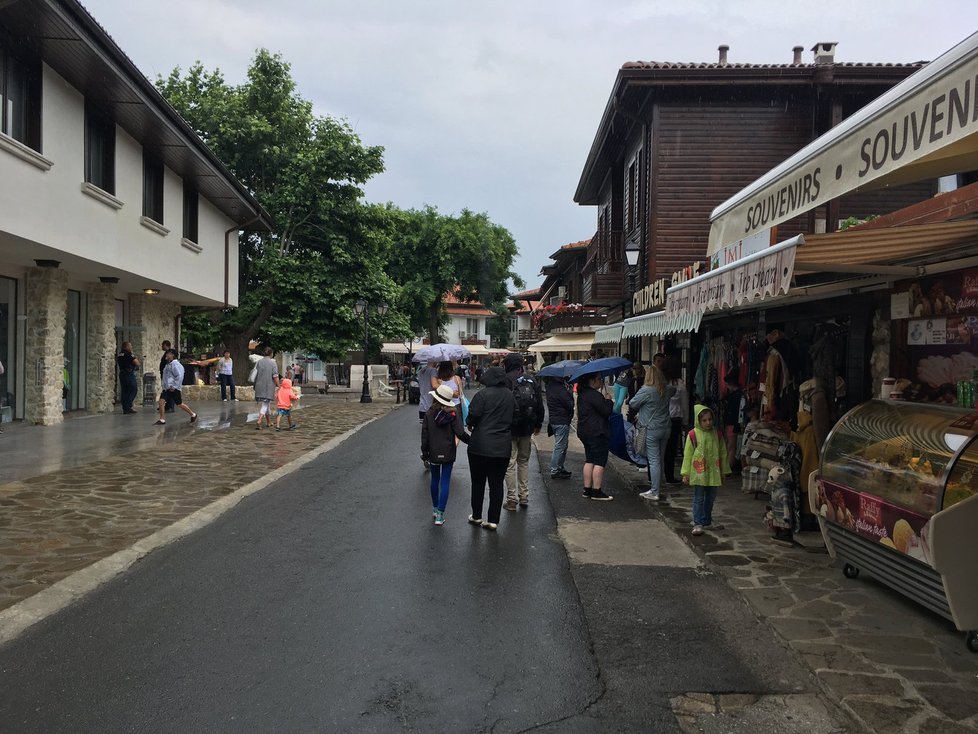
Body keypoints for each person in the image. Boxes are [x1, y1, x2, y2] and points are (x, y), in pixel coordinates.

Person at [467, 364, 514, 530]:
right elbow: (515, 418)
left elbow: (472, 415)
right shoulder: (510, 396)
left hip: (479, 446)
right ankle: (493, 520)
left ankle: (477, 516)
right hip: (502, 447)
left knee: (478, 482)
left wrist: (470, 424)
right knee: (497, 484)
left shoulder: (482, 395)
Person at [422, 382, 470, 526]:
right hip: (448, 451)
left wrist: (425, 452)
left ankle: (435, 509)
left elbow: (425, 435)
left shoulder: (429, 413)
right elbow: (460, 433)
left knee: (435, 480)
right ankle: (440, 515)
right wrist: (473, 441)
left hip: (434, 452)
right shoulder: (453, 414)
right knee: (445, 481)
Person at [628, 364, 676, 501]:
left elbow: (632, 403)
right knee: (660, 459)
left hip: (651, 429)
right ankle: (659, 485)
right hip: (666, 428)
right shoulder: (667, 389)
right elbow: (674, 390)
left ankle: (655, 491)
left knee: (653, 460)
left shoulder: (646, 390)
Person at [682, 404, 731, 535]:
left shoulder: (717, 434)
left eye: (710, 419)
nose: (708, 422)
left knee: (711, 497)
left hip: (714, 472)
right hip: (699, 473)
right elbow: (688, 455)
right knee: (698, 498)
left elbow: (723, 452)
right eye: (704, 420)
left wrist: (724, 471)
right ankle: (698, 523)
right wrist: (685, 473)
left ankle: (707, 520)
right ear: (698, 421)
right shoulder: (693, 434)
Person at [503, 353, 544, 511]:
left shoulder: (506, 380)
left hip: (510, 426)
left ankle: (512, 499)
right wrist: (538, 423)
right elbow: (539, 403)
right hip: (527, 426)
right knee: (523, 462)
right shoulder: (531, 380)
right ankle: (524, 495)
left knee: (510, 463)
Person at [577, 373, 613, 500]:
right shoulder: (595, 395)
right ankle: (596, 491)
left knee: (589, 459)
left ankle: (587, 489)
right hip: (597, 432)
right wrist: (608, 401)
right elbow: (606, 412)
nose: (601, 382)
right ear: (592, 381)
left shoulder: (582, 394)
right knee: (599, 461)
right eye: (599, 379)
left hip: (584, 431)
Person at [663, 356, 688, 484]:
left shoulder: (660, 382)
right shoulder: (680, 384)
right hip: (675, 419)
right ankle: (669, 475)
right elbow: (684, 404)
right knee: (671, 449)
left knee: (659, 448)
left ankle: (655, 476)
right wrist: (685, 422)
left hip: (661, 417)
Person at [155, 349, 197, 425]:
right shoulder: (168, 364)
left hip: (174, 388)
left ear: (172, 355)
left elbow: (179, 376)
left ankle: (193, 414)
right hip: (167, 388)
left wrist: (174, 386)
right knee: (161, 402)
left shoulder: (175, 365)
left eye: (168, 354)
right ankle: (162, 419)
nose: (166, 355)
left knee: (179, 404)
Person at [546, 376, 574, 479]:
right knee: (560, 446)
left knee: (562, 445)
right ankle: (555, 469)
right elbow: (569, 404)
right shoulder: (561, 389)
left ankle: (559, 467)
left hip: (555, 419)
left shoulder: (550, 386)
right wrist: (569, 392)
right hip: (561, 420)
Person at [253, 347, 279, 430]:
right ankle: (259, 420)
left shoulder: (259, 362)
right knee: (265, 403)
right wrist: (279, 385)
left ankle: (268, 422)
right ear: (271, 353)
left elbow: (255, 374)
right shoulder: (273, 363)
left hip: (259, 385)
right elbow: (275, 376)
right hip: (268, 386)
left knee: (267, 403)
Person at [116, 341, 140, 414]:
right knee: (133, 389)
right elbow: (137, 363)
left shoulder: (120, 354)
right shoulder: (128, 354)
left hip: (122, 373)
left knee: (125, 391)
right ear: (126, 347)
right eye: (130, 346)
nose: (131, 347)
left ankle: (125, 408)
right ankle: (128, 406)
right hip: (128, 373)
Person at [159, 340, 175, 412]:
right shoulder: (166, 353)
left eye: (163, 345)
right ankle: (165, 406)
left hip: (168, 375)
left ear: (166, 345)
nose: (162, 346)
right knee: (166, 389)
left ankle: (170, 407)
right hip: (165, 374)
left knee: (170, 390)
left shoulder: (170, 353)